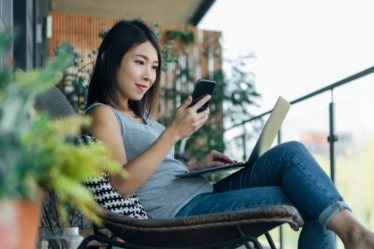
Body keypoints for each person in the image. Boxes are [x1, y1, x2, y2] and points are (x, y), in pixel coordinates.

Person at [84, 20, 374, 249]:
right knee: (312, 198)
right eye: (139, 62)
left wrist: (196, 166)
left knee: (292, 153)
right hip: (178, 216)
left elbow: (154, 172)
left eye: (155, 66)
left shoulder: (140, 115)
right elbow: (120, 184)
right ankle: (355, 234)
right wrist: (173, 133)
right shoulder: (102, 114)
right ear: (109, 59)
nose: (149, 75)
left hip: (203, 194)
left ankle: (355, 232)